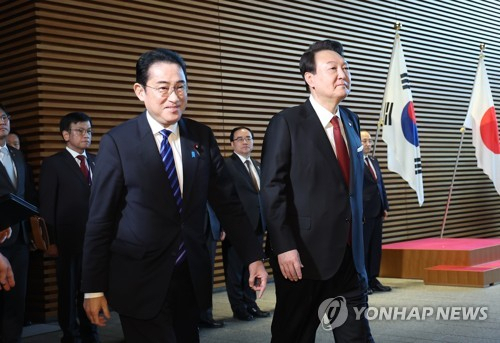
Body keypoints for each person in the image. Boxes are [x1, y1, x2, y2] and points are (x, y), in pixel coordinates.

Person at [81, 48, 268, 342]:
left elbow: (228, 204)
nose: (174, 96)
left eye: (181, 87)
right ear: (140, 91)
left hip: (190, 276)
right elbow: (100, 219)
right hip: (140, 278)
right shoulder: (118, 142)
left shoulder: (201, 137)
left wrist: (253, 256)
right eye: (163, 88)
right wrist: (93, 287)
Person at [260, 40, 374, 342]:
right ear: (310, 79)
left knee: (356, 336)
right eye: (332, 68)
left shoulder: (350, 119)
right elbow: (273, 190)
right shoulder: (286, 123)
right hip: (303, 257)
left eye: (345, 67)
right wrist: (284, 246)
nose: (343, 74)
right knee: (294, 334)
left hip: (350, 255)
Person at [39, 112, 100, 343]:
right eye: (80, 131)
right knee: (68, 291)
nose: (86, 135)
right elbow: (47, 205)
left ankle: (91, 333)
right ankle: (70, 335)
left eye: (89, 131)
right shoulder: (53, 163)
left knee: (92, 289)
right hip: (66, 240)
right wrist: (51, 241)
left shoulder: (97, 160)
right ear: (66, 135)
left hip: (94, 240)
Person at [222, 126, 269, 321]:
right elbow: (221, 197)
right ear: (232, 143)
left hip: (258, 224)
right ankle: (238, 307)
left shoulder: (258, 165)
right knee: (235, 268)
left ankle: (251, 303)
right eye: (240, 139)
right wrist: (223, 224)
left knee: (253, 267)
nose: (245, 142)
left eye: (248, 138)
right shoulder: (226, 165)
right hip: (236, 226)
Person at [0, 104, 37, 342]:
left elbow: (25, 195)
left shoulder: (17, 154)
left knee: (16, 302)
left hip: (20, 240)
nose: (2, 121)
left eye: (4, 116)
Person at [361, 130, 391, 295]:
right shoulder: (354, 162)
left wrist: (384, 206)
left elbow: (380, 185)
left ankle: (373, 278)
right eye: (364, 141)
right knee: (364, 248)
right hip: (364, 213)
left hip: (377, 210)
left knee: (375, 248)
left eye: (370, 141)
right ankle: (364, 282)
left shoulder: (373, 160)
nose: (368, 144)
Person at [198, 204, 225, 329]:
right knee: (190, 274)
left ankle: (206, 315)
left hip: (211, 223)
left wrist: (222, 226)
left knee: (208, 273)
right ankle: (191, 318)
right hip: (191, 225)